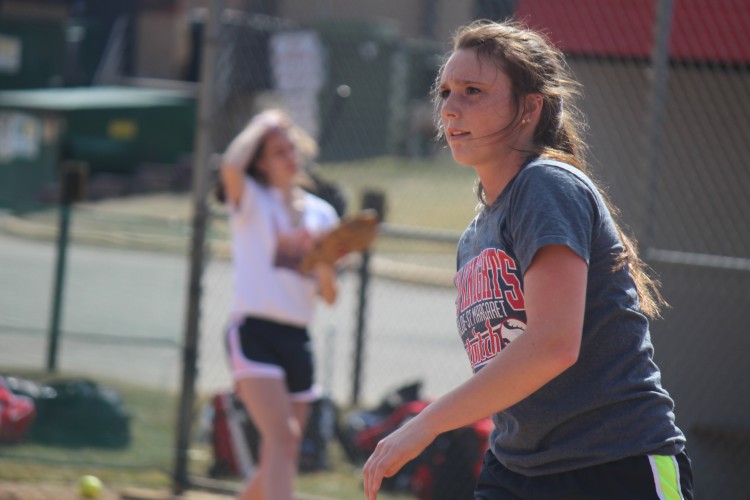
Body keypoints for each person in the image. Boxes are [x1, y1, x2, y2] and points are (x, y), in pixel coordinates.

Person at [363, 19, 693, 500]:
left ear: (529, 108)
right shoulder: (476, 234)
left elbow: (554, 345)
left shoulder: (546, 186)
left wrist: (425, 424)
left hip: (615, 463)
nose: (450, 108)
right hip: (518, 468)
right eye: (445, 92)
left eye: (473, 91)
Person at [218, 109, 339, 500]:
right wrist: (262, 124)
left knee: (280, 451)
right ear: (262, 163)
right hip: (254, 332)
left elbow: (331, 296)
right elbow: (230, 167)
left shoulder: (322, 214)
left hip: (297, 339)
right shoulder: (253, 200)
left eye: (291, 148)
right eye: (277, 151)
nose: (289, 156)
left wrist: (322, 263)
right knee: (282, 437)